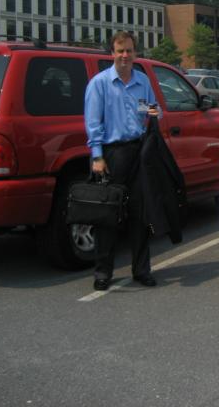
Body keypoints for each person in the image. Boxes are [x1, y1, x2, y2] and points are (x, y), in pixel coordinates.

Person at [84, 31, 161, 291]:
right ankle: (103, 272)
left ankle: (142, 270)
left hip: (138, 152)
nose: (125, 56)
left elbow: (150, 110)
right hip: (111, 154)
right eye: (120, 51)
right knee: (108, 216)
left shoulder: (142, 81)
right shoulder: (100, 84)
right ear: (112, 53)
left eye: (129, 51)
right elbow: (93, 123)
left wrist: (153, 112)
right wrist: (97, 156)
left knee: (140, 215)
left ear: (135, 53)